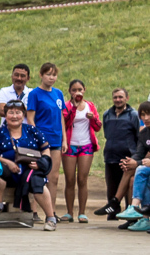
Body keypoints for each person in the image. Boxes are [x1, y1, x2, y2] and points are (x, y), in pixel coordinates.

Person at [0, 100, 58, 231]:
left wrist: (40, 163)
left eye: (18, 112)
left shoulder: (32, 130)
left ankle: (50, 218)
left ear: (23, 114)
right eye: (11, 112)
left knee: (37, 182)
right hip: (8, 170)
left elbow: (46, 149)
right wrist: (7, 162)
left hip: (31, 169)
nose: (14, 116)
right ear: (5, 115)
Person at [60, 79, 101, 223]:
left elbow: (98, 127)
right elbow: (65, 124)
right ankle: (69, 212)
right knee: (69, 180)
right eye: (74, 90)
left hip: (86, 145)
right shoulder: (66, 106)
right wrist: (74, 108)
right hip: (70, 145)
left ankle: (82, 212)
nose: (77, 92)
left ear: (84, 90)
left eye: (80, 90)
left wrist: (93, 118)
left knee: (82, 180)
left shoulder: (90, 106)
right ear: (70, 92)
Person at [97, 88, 140, 220]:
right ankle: (113, 212)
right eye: (115, 97)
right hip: (110, 155)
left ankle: (129, 213)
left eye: (120, 97)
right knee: (112, 186)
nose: (118, 100)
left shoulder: (133, 115)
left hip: (127, 156)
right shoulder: (107, 114)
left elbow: (139, 136)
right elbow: (106, 133)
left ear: (127, 98)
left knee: (127, 186)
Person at [26, 63, 66, 200]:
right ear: (41, 75)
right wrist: (38, 137)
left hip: (56, 139)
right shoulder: (34, 94)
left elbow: (61, 116)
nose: (51, 78)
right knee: (38, 174)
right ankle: (35, 211)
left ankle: (52, 212)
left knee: (53, 177)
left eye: (54, 75)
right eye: (48, 74)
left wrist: (64, 139)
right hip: (41, 141)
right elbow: (30, 118)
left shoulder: (58, 93)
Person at [115, 102, 150, 232]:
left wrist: (139, 164)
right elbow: (139, 154)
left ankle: (134, 208)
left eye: (148, 114)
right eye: (143, 115)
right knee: (140, 175)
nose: (145, 118)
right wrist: (130, 162)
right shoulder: (144, 133)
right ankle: (144, 218)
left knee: (141, 170)